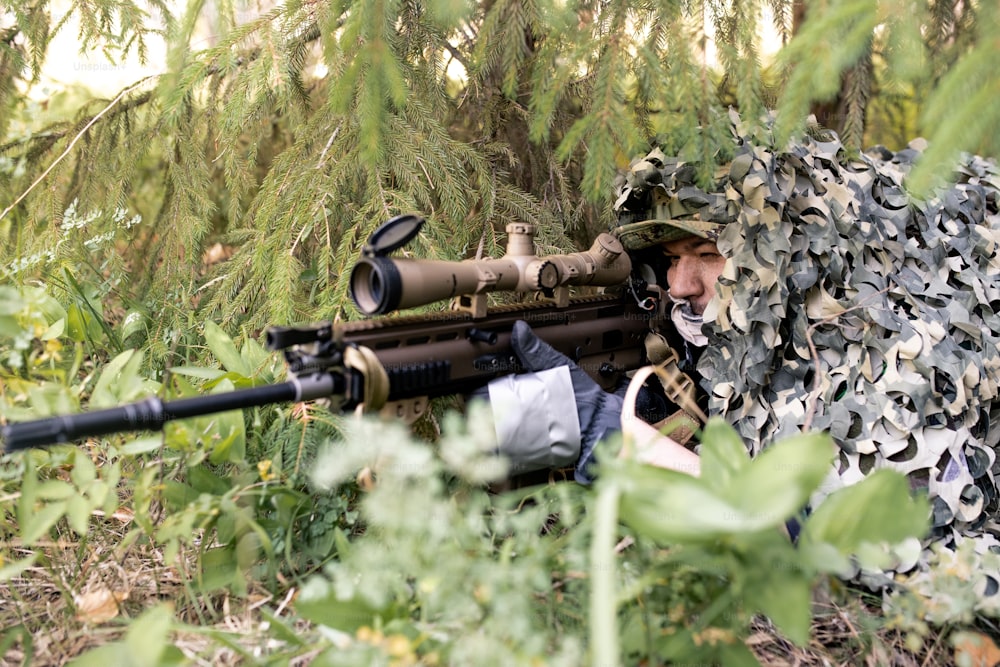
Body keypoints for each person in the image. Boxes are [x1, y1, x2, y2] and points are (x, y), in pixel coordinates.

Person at [485, 118, 1000, 561]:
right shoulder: (736, 340)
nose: (678, 287)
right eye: (669, 260)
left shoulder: (889, 350)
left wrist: (621, 447)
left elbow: (841, 548)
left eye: (708, 254)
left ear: (786, 257)